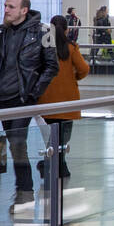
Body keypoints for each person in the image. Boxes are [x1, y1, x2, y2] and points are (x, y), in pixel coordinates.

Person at [1, 0, 58, 210]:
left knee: (17, 143)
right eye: (5, 6)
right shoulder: (2, 32)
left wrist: (34, 92)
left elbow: (52, 66)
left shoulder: (45, 31)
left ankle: (24, 192)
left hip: (23, 98)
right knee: (11, 144)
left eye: (11, 7)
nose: (6, 10)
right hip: (3, 97)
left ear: (24, 10)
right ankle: (23, 191)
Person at [35, 14, 89, 182]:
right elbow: (83, 69)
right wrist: (74, 79)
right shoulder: (71, 47)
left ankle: (50, 164)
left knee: (50, 137)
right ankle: (59, 165)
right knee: (63, 139)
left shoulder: (43, 46)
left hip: (46, 100)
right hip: (67, 100)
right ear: (67, 29)